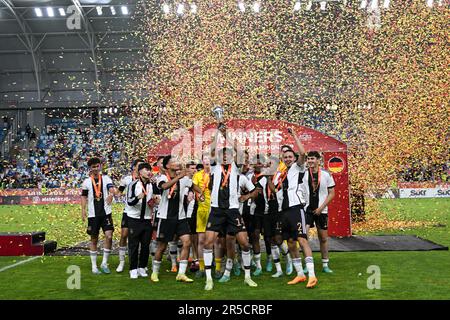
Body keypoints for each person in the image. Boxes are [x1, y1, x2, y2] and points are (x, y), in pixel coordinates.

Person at [202, 124, 258, 291]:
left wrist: (226, 134)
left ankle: (247, 276)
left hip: (233, 210)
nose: (225, 157)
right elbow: (210, 151)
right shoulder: (214, 167)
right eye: (223, 155)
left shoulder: (236, 168)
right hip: (217, 210)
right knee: (208, 243)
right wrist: (217, 135)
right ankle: (208, 279)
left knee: (245, 243)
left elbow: (240, 151)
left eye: (228, 155)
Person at [267, 128, 318, 288]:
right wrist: (269, 178)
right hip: (284, 212)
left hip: (296, 209)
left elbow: (303, 154)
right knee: (290, 242)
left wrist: (294, 136)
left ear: (294, 157)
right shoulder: (281, 173)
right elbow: (275, 191)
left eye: (290, 156)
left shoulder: (298, 167)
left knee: (302, 240)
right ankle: (300, 275)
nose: (288, 159)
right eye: (285, 157)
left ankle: (312, 275)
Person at [151, 155, 205, 283]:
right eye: (174, 161)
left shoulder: (185, 179)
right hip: (165, 218)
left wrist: (200, 194)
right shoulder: (162, 177)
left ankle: (181, 273)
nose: (177, 163)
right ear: (167, 166)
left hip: (181, 217)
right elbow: (164, 187)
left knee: (187, 242)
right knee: (162, 247)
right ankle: (155, 272)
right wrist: (179, 177)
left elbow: (194, 186)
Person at [81, 157, 116, 274]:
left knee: (109, 236)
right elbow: (84, 197)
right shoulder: (86, 182)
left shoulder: (106, 179)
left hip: (106, 213)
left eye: (97, 166)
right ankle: (94, 266)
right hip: (93, 215)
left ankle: (104, 263)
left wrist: (111, 194)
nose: (96, 168)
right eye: (93, 167)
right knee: (94, 239)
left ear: (100, 166)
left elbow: (111, 188)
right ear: (90, 169)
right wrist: (83, 210)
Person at [303, 151, 335, 273]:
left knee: (323, 238)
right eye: (308, 159)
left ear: (318, 160)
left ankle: (325, 264)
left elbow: (332, 193)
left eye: (312, 158)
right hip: (307, 209)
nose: (310, 161)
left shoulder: (326, 174)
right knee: (304, 237)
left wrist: (321, 208)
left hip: (322, 210)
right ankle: (307, 264)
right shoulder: (304, 174)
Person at [126, 162, 157, 279]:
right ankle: (133, 268)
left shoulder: (152, 185)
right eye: (146, 170)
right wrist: (137, 197)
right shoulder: (133, 184)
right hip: (134, 219)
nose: (149, 172)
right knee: (133, 245)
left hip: (147, 219)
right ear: (140, 172)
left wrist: (156, 200)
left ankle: (142, 267)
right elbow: (129, 201)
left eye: (149, 170)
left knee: (145, 245)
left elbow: (157, 199)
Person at [115, 159, 144, 273]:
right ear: (134, 167)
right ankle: (121, 262)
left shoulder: (145, 180)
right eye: (139, 166)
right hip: (128, 212)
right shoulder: (127, 179)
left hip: (141, 213)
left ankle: (138, 263)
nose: (141, 168)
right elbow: (119, 192)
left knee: (139, 238)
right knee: (124, 235)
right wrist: (116, 194)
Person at [192, 157, 213, 278]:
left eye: (209, 163)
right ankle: (201, 267)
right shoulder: (197, 175)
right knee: (201, 240)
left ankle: (216, 265)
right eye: (205, 163)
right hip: (202, 210)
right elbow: (194, 187)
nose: (207, 166)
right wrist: (198, 194)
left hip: (215, 210)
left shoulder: (216, 173)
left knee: (214, 240)